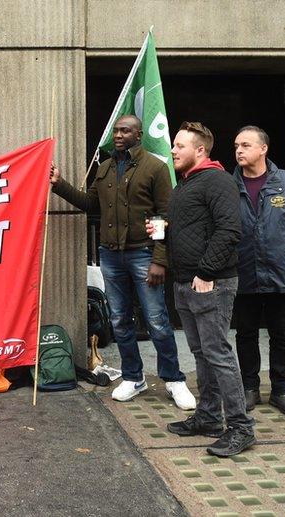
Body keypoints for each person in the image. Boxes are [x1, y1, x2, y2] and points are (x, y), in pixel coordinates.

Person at [50, 114, 195, 410]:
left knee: (157, 320)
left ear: (138, 135)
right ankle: (133, 377)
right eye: (116, 130)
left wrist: (159, 260)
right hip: (111, 255)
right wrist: (59, 184)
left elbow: (166, 217)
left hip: (144, 254)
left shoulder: (154, 167)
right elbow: (90, 204)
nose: (118, 135)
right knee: (119, 320)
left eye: (125, 130)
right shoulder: (104, 168)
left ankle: (174, 380)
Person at [157, 121, 255, 457]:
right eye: (173, 145)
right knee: (201, 354)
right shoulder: (186, 184)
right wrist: (166, 230)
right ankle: (209, 416)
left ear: (200, 150)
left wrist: (206, 271)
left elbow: (229, 230)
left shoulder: (217, 180)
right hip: (185, 282)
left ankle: (241, 428)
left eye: (179, 146)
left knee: (218, 354)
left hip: (210, 282)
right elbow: (196, 229)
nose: (173, 150)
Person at [231, 126, 285, 416]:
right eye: (236, 146)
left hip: (282, 276)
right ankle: (250, 389)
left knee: (281, 335)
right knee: (245, 335)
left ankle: (280, 391)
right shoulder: (228, 185)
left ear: (263, 149)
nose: (239, 150)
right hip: (243, 275)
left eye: (245, 145)